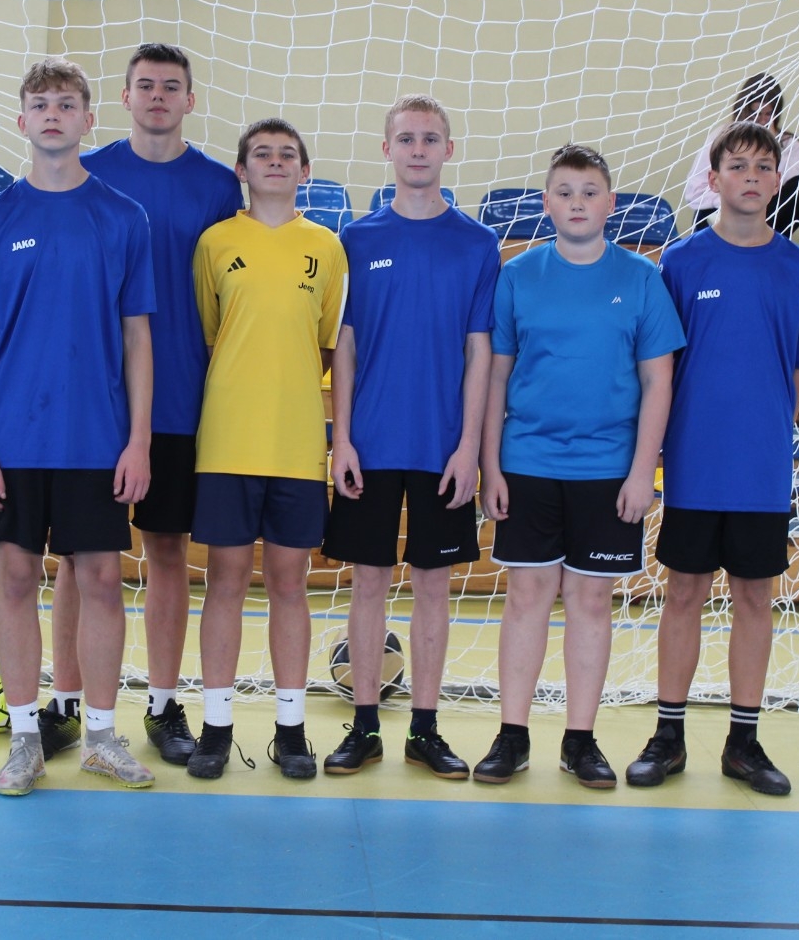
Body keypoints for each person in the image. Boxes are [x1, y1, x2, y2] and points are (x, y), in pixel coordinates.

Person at [0, 58, 157, 796]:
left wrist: (138, 440)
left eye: (66, 103)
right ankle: (24, 742)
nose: (52, 113)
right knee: (15, 577)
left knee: (101, 579)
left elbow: (138, 338)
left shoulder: (122, 216)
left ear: (87, 119)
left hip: (96, 436)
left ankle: (101, 734)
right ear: (21, 120)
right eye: (39, 103)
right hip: (13, 438)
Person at [44, 44, 242, 769]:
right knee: (77, 559)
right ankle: (67, 703)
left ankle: (162, 703)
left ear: (190, 99)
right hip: (97, 402)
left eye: (172, 86)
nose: (158, 96)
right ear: (125, 97)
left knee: (166, 551)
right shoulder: (88, 173)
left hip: (184, 397)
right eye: (146, 85)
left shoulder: (218, 186)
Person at [473, 144, 684, 786]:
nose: (577, 203)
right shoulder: (518, 275)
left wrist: (643, 472)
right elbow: (496, 377)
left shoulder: (642, 278)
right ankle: (512, 736)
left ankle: (580, 740)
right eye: (564, 192)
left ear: (610, 203)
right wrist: (490, 466)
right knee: (527, 597)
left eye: (590, 192)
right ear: (546, 204)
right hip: (528, 462)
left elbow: (659, 381)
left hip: (608, 469)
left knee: (591, 600)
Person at [627, 120, 799, 797]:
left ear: (778, 180)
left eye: (763, 167)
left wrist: (765, 435)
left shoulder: (798, 267)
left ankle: (743, 741)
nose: (751, 177)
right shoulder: (682, 261)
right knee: (683, 591)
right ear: (713, 179)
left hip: (760, 466)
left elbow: (798, 373)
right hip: (694, 462)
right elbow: (659, 368)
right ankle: (668, 734)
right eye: (737, 165)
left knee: (754, 595)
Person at [320, 95, 498, 780]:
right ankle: (364, 725)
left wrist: (469, 447)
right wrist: (342, 439)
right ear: (386, 149)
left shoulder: (477, 244)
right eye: (406, 139)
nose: (418, 149)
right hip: (370, 444)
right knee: (367, 582)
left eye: (429, 139)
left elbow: (480, 352)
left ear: (448, 149)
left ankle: (425, 728)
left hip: (441, 447)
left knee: (433, 587)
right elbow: (345, 347)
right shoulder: (356, 241)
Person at [187, 118, 348, 780]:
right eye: (261, 153)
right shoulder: (215, 242)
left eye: (287, 154)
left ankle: (291, 728)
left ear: (305, 171)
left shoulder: (328, 248)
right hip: (227, 441)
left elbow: (329, 345)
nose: (275, 162)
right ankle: (216, 727)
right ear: (242, 171)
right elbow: (209, 334)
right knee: (224, 582)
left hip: (296, 444)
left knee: (289, 584)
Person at [683, 72, 799, 235]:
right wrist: (736, 201)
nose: (762, 121)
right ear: (744, 110)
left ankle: (757, 233)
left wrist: (771, 145)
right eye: (756, 113)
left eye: (768, 114)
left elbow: (791, 189)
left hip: (766, 213)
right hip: (722, 213)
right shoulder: (722, 136)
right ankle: (746, 231)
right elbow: (694, 192)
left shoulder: (788, 144)